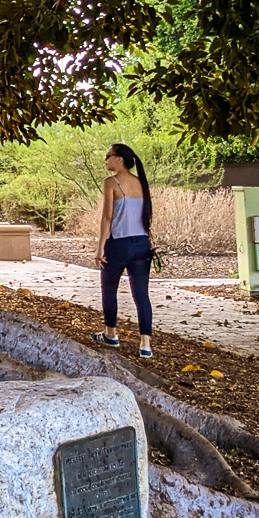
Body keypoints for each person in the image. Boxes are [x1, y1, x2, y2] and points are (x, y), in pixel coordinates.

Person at [93, 142, 155, 358]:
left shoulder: (111, 182)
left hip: (118, 243)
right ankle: (145, 344)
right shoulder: (141, 183)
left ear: (119, 159)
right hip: (141, 243)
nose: (106, 160)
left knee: (109, 289)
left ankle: (111, 334)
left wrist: (100, 247)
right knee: (141, 294)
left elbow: (107, 217)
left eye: (108, 155)